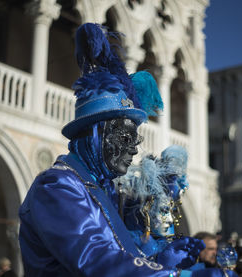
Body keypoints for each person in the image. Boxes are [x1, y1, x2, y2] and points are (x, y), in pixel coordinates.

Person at [19, 23, 224, 277]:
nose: (133, 149)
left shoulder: (100, 190)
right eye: (124, 136)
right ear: (96, 133)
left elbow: (123, 258)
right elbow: (97, 261)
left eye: (135, 140)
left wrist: (163, 259)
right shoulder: (57, 187)